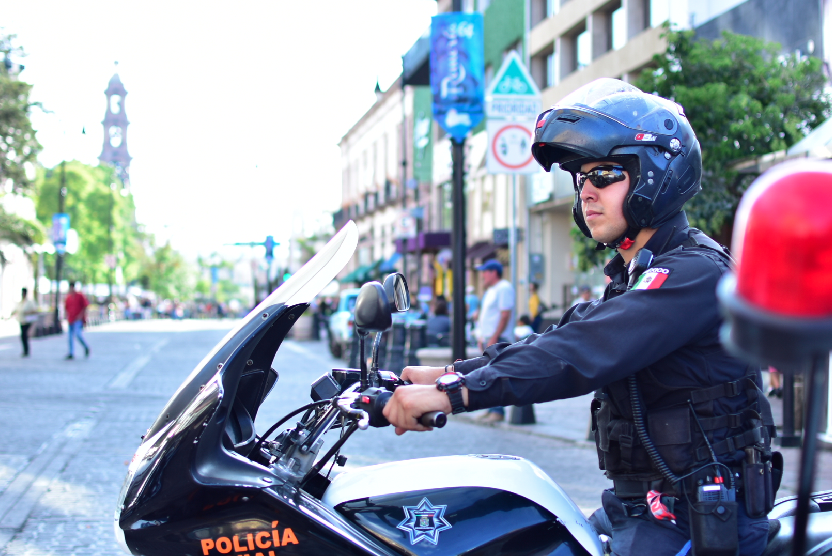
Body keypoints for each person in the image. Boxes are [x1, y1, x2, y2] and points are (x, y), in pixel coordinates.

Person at [382, 79, 775, 556]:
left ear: (657, 175)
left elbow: (584, 350)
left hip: (697, 518)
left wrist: (454, 394)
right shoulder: (634, 276)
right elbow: (557, 338)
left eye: (604, 174)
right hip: (639, 508)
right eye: (580, 178)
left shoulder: (694, 273)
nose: (586, 191)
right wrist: (447, 372)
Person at [473, 259, 515, 423]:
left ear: (494, 273)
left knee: (496, 374)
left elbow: (505, 314)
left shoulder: (504, 288)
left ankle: (497, 411)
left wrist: (494, 337)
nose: (482, 275)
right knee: (487, 374)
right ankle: (490, 408)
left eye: (485, 272)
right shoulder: (491, 290)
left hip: (498, 339)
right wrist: (482, 337)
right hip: (489, 338)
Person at [65, 282, 90, 359]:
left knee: (78, 335)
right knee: (70, 337)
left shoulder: (80, 296)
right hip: (71, 319)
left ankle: (86, 347)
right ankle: (71, 353)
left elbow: (85, 306)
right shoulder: (68, 298)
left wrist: (81, 316)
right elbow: (66, 308)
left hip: (78, 319)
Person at [13, 288, 38, 357]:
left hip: (27, 321)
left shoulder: (29, 302)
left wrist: (27, 312)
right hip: (21, 320)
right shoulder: (20, 302)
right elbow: (16, 310)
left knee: (24, 335)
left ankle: (26, 350)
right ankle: (25, 350)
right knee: (23, 336)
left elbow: (35, 310)